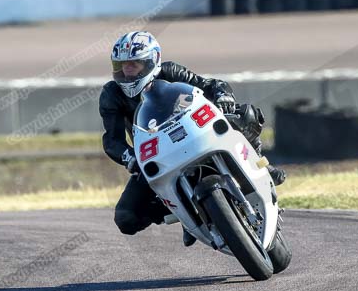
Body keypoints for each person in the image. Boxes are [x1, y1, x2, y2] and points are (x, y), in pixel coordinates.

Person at [99, 31, 285, 245]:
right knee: (125, 218)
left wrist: (222, 97)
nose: (127, 71)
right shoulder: (111, 94)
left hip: (196, 132)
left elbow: (210, 84)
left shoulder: (170, 71)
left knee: (246, 114)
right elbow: (112, 140)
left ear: (152, 61)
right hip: (157, 152)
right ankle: (185, 213)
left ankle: (259, 163)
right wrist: (128, 156)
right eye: (121, 65)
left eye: (135, 64)